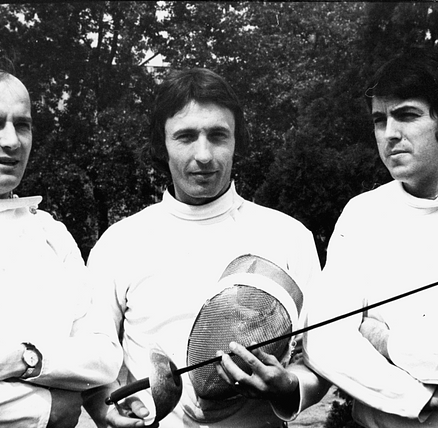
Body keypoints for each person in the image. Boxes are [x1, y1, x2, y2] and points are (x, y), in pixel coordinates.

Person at [81, 67, 322, 428]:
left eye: (218, 135)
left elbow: (318, 363)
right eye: (186, 137)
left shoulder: (289, 236)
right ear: (161, 144)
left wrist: (287, 387)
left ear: (237, 140)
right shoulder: (119, 242)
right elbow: (91, 360)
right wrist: (107, 410)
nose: (204, 154)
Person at [301, 51, 438, 427]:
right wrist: (417, 397)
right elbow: (324, 340)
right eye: (379, 120)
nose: (389, 133)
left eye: (406, 115)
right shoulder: (361, 214)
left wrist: (386, 342)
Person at [0, 64, 122, 427]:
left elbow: (105, 356)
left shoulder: (50, 233)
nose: (13, 141)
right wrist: (46, 409)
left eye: (22, 125)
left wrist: (24, 360)